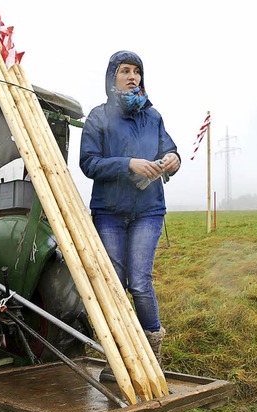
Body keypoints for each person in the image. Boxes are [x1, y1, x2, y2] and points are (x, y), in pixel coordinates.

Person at [79, 50, 181, 381]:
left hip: (148, 211)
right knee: (114, 285)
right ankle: (119, 358)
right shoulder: (98, 117)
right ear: (112, 78)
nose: (132, 76)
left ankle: (152, 356)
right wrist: (128, 164)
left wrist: (172, 160)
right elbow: (89, 163)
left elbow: (171, 149)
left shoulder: (153, 117)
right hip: (108, 212)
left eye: (136, 71)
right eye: (125, 71)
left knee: (139, 282)